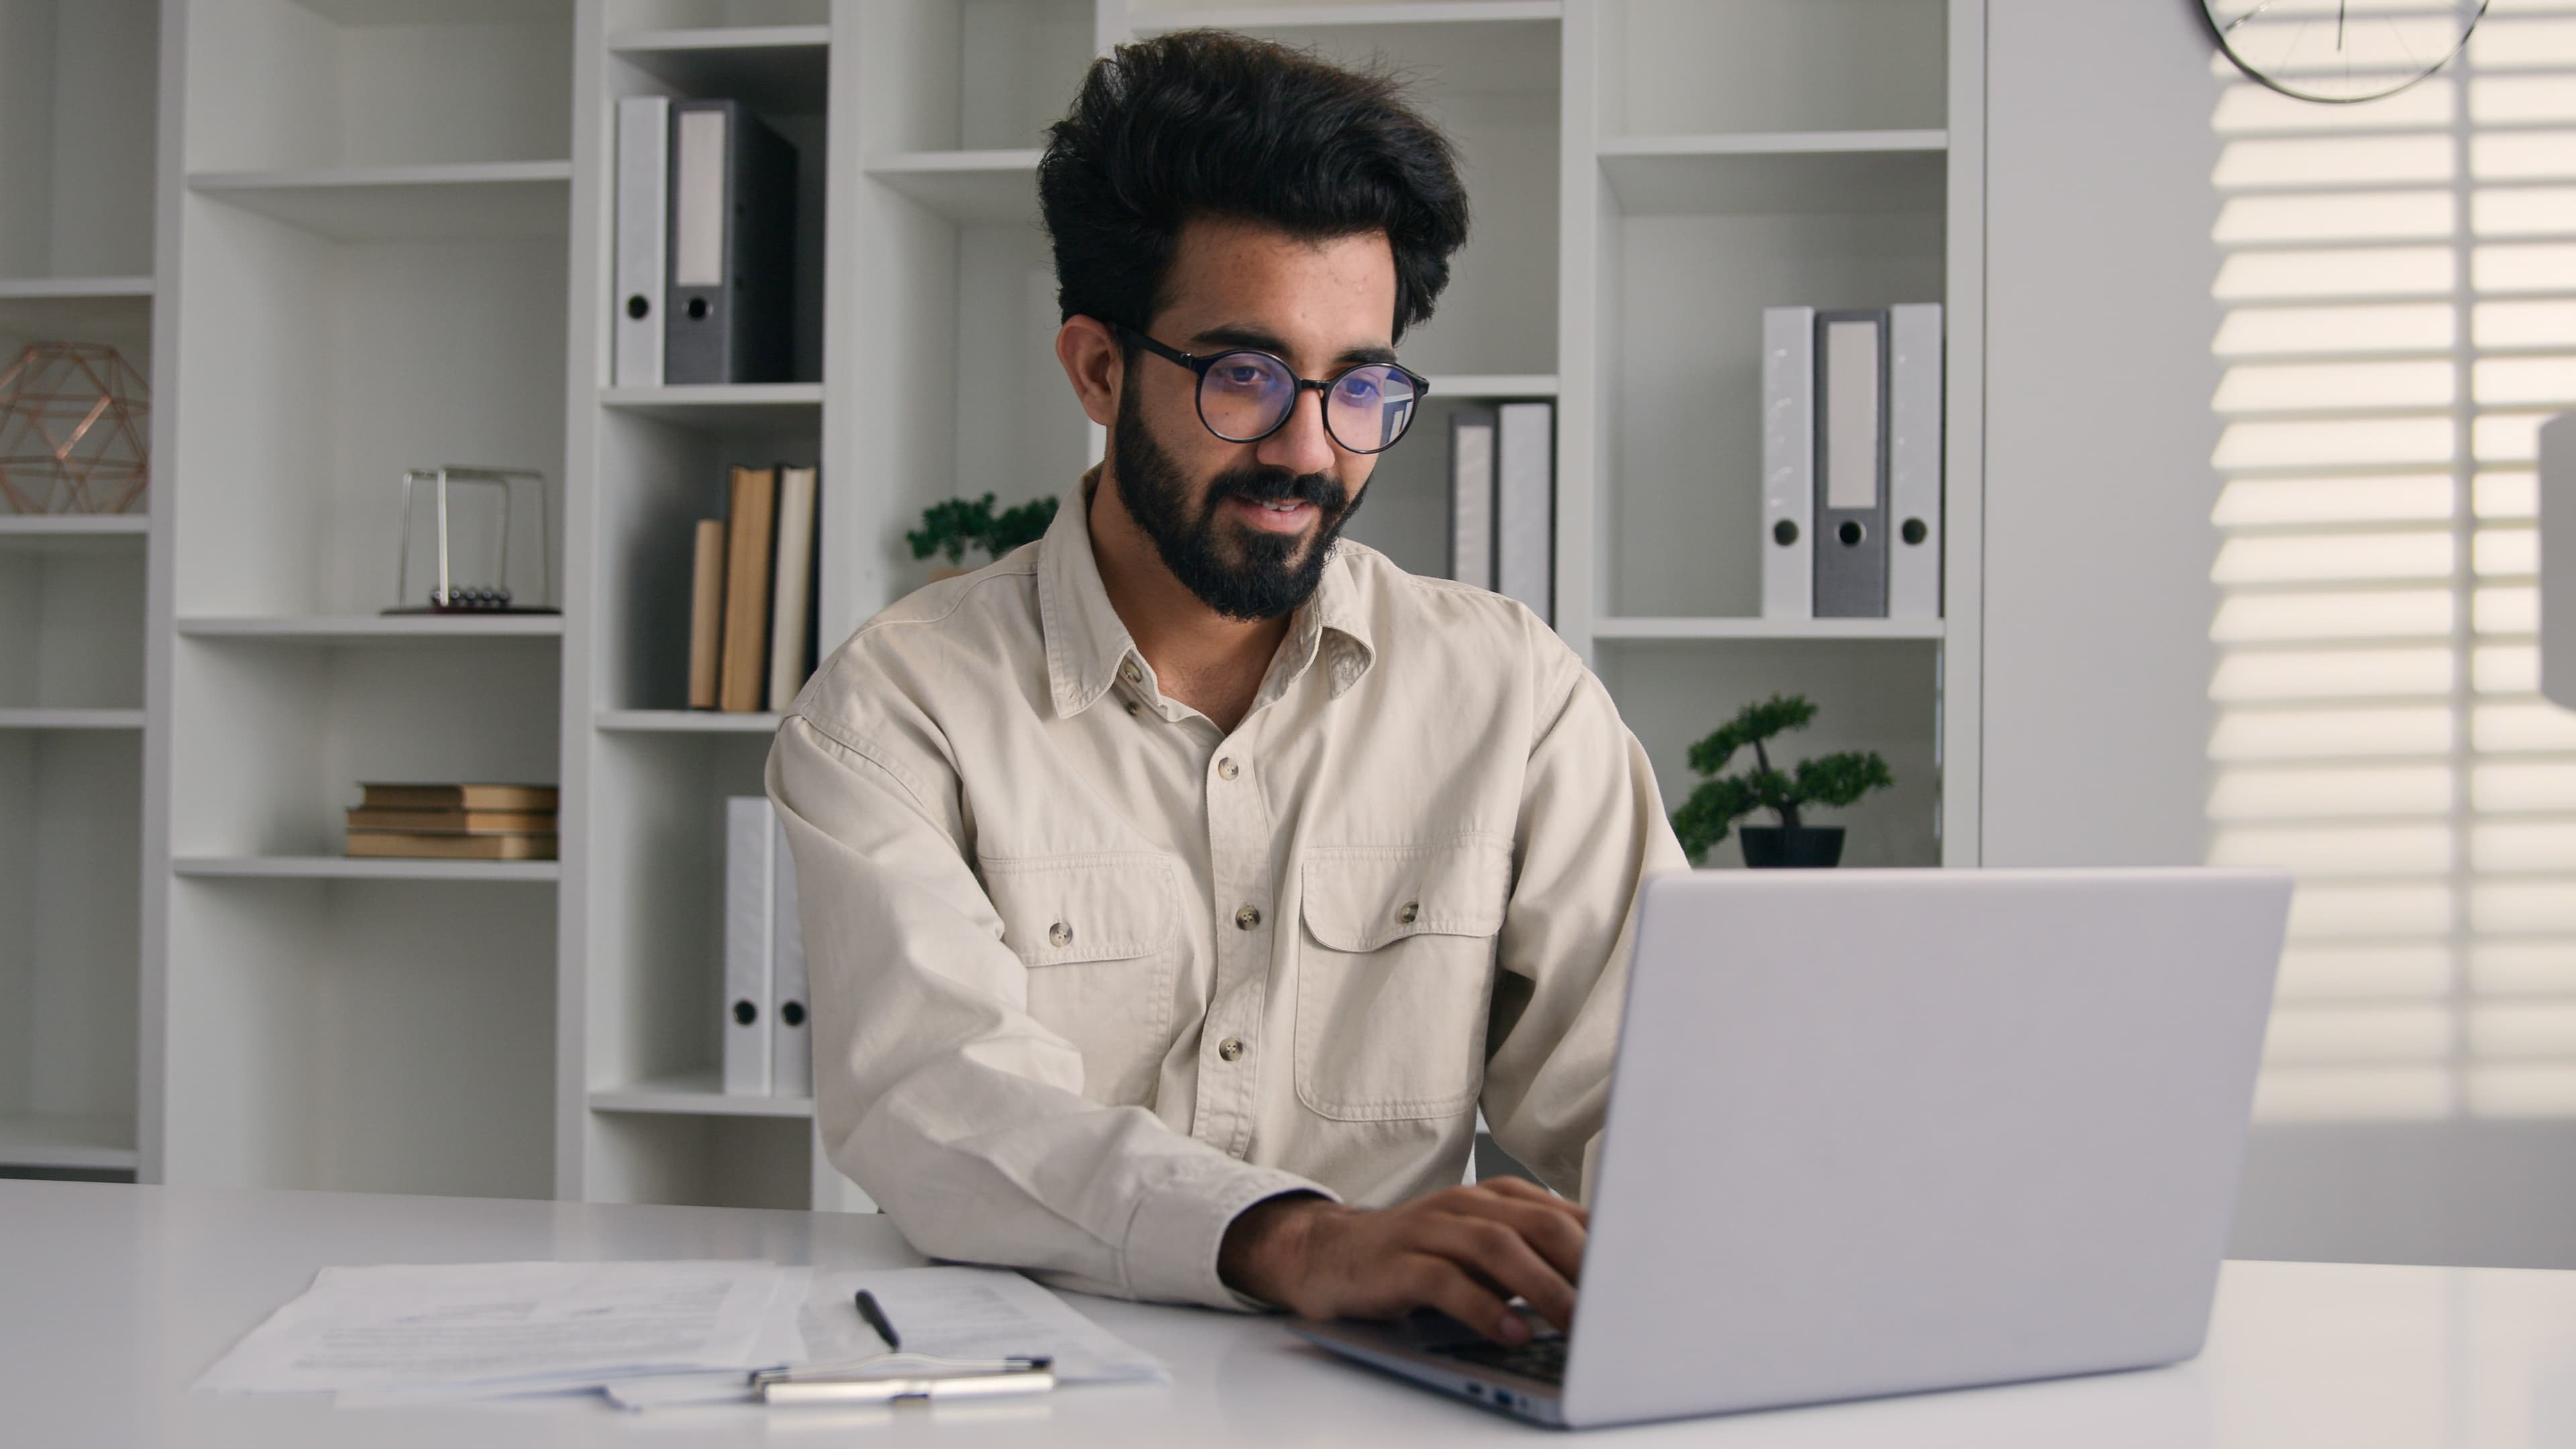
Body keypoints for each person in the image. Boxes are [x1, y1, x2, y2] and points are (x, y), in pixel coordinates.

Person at [767, 29, 1686, 1346]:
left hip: (1391, 1397)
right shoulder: (896, 712)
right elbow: (939, 1107)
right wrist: (1301, 1242)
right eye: (1244, 376)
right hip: (1035, 1391)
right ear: (1098, 369)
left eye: (1359, 385)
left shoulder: (1513, 698)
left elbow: (1652, 1095)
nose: (1309, 450)